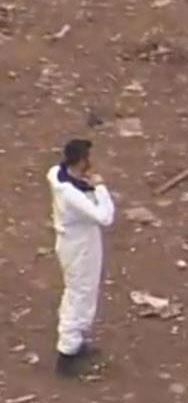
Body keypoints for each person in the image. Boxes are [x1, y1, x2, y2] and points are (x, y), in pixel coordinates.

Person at [47, 138, 114, 375]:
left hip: (76, 242)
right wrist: (100, 187)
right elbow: (105, 217)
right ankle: (67, 351)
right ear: (82, 160)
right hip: (79, 246)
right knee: (80, 293)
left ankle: (74, 341)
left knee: (81, 290)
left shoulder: (57, 173)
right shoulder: (71, 195)